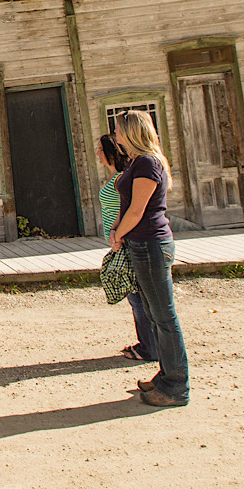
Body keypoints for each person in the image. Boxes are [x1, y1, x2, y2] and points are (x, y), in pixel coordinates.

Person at [107, 110, 189, 407]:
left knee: (164, 317)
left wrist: (119, 234)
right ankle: (165, 376)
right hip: (140, 244)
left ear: (131, 132)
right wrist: (118, 229)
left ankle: (176, 386)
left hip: (152, 245)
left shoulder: (147, 163)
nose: (114, 136)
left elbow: (139, 208)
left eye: (117, 130)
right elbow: (126, 202)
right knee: (154, 315)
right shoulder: (135, 162)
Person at [96, 133, 156, 363]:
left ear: (111, 151)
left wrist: (118, 233)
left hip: (125, 240)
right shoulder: (115, 176)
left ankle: (149, 347)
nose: (98, 154)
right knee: (134, 295)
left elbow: (128, 207)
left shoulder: (123, 176)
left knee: (137, 296)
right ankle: (146, 343)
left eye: (101, 149)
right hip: (118, 241)